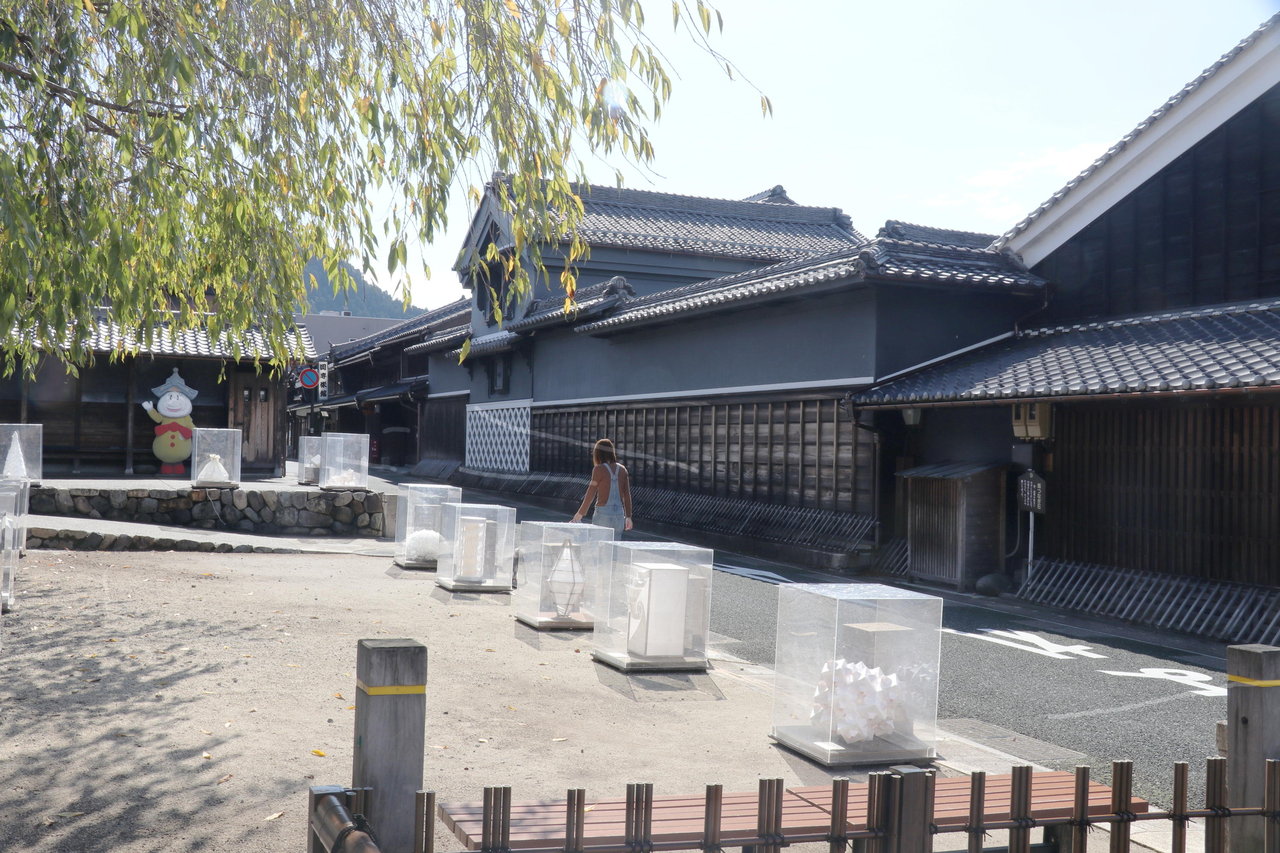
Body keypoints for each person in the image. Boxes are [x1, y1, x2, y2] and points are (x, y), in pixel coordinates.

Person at [572, 438, 633, 536]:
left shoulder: (598, 469)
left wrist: (580, 513)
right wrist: (628, 516)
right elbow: (626, 495)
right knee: (615, 544)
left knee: (598, 543)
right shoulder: (623, 470)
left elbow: (591, 492)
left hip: (603, 514)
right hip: (619, 515)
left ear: (598, 454)